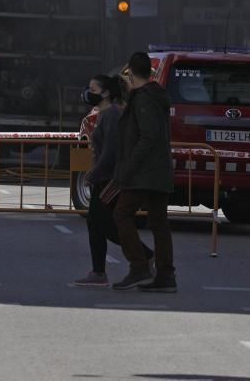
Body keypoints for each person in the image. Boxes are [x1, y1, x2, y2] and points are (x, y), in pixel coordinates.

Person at [73, 74, 152, 287]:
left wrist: (94, 173)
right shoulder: (104, 114)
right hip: (107, 176)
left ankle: (139, 258)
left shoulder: (112, 115)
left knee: (102, 222)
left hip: (111, 179)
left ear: (106, 92)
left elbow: (111, 151)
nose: (89, 93)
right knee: (101, 223)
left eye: (93, 89)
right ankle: (103, 270)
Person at [112, 51, 176, 293]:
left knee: (122, 214)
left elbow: (147, 136)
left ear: (130, 71)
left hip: (144, 172)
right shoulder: (153, 95)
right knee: (159, 222)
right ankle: (166, 274)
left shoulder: (144, 98)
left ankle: (139, 265)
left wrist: (129, 167)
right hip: (158, 170)